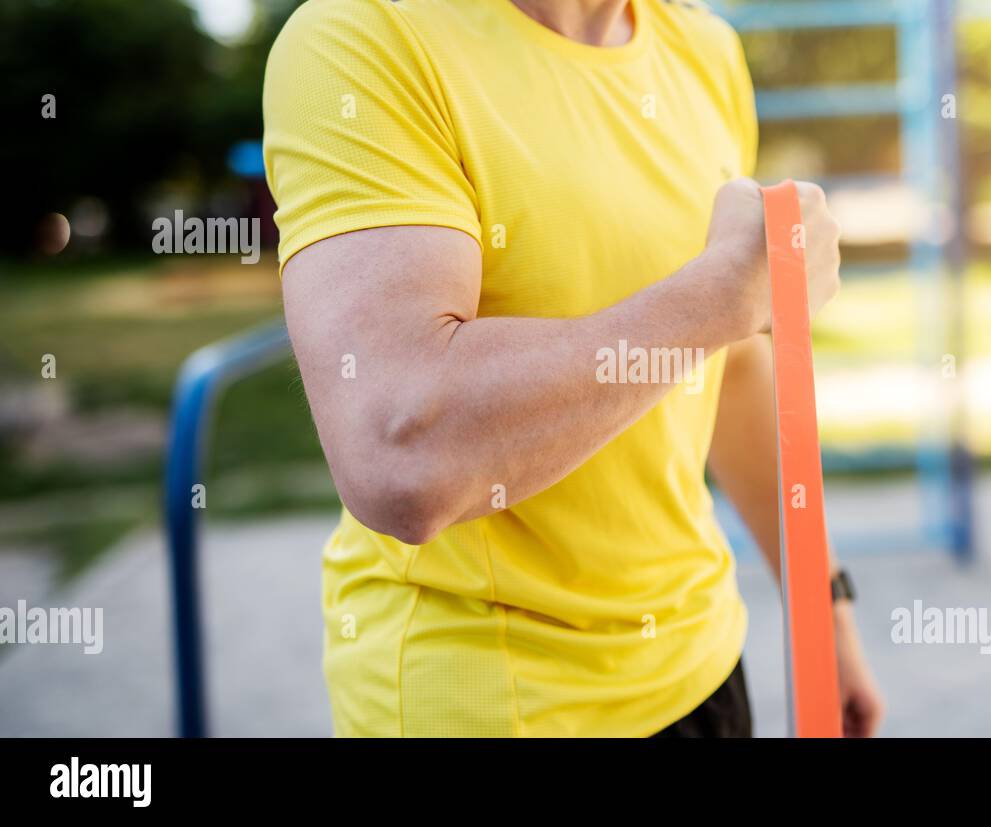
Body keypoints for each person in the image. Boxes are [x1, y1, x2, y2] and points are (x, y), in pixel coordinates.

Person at [263, 0, 884, 737]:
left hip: (704, 670)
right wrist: (723, 297)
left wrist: (824, 603)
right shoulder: (362, 37)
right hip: (486, 705)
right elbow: (402, 451)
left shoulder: (706, 49)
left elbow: (735, 364)